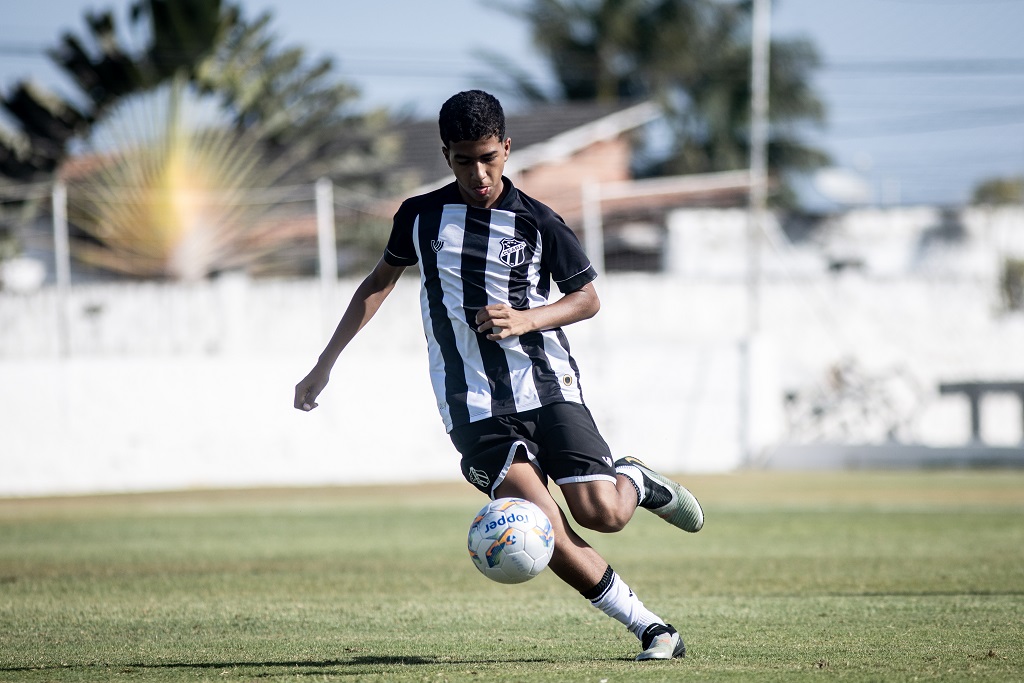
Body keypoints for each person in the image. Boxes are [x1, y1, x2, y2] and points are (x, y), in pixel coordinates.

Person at [294, 89, 704, 661]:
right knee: (543, 526)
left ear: (507, 149)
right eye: (464, 160)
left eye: (488, 157)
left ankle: (633, 479)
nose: (479, 173)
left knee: (602, 514)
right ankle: (654, 630)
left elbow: (586, 299)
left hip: (547, 386)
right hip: (470, 405)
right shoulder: (419, 217)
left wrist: (528, 318)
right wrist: (323, 365)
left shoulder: (538, 221)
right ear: (447, 157)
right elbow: (377, 283)